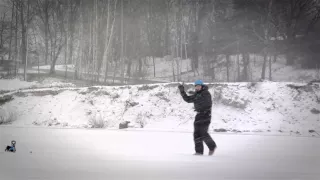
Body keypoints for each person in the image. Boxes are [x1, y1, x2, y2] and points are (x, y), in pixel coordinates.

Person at [178, 80, 217, 156]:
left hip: (206, 115)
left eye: (198, 86)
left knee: (203, 132)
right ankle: (199, 152)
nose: (197, 87)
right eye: (196, 86)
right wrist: (182, 90)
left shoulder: (206, 93)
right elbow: (188, 99)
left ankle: (212, 146)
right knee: (196, 134)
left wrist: (194, 96)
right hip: (198, 115)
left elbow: (203, 101)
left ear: (202, 86)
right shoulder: (197, 94)